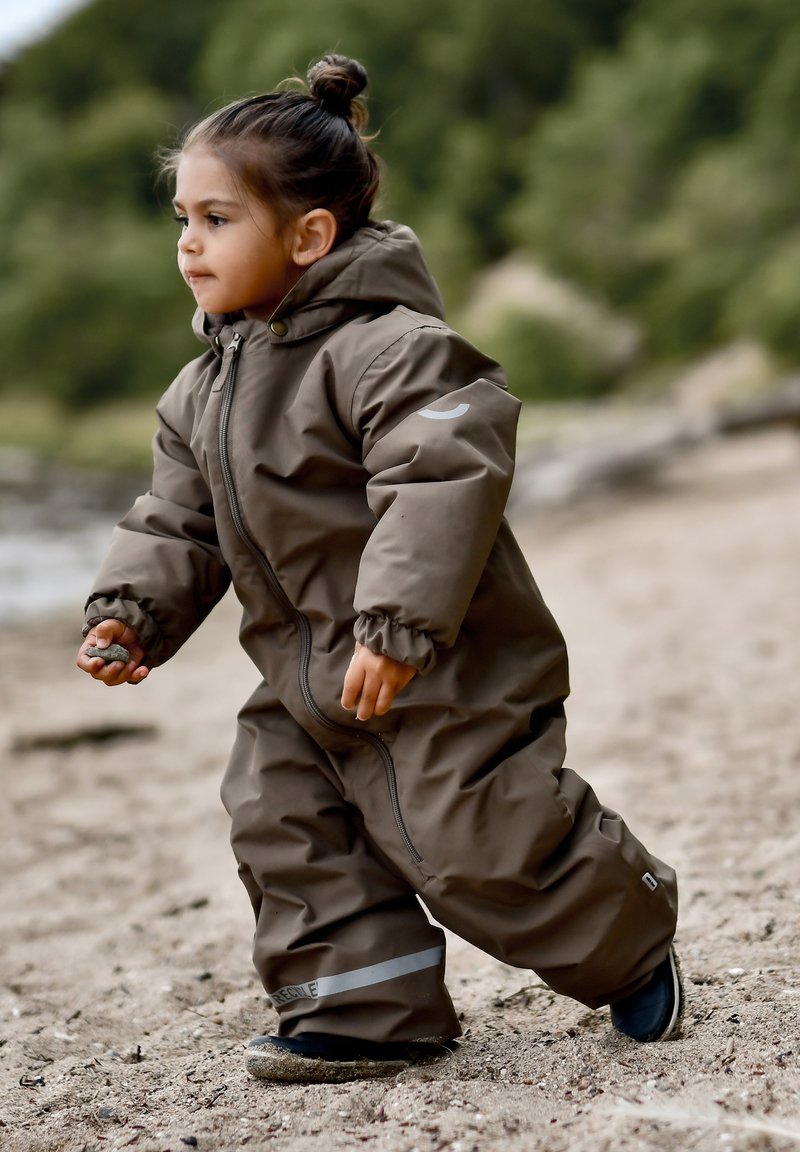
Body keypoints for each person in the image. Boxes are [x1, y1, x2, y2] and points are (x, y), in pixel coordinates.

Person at [76, 54, 682, 1083]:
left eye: (217, 219)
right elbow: (179, 519)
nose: (187, 242)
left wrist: (397, 621)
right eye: (181, 217)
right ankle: (367, 1007)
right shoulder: (200, 389)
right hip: (302, 676)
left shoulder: (391, 350)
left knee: (475, 840)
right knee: (281, 821)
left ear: (309, 236)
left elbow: (442, 469)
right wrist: (133, 610)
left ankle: (627, 941)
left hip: (439, 661)